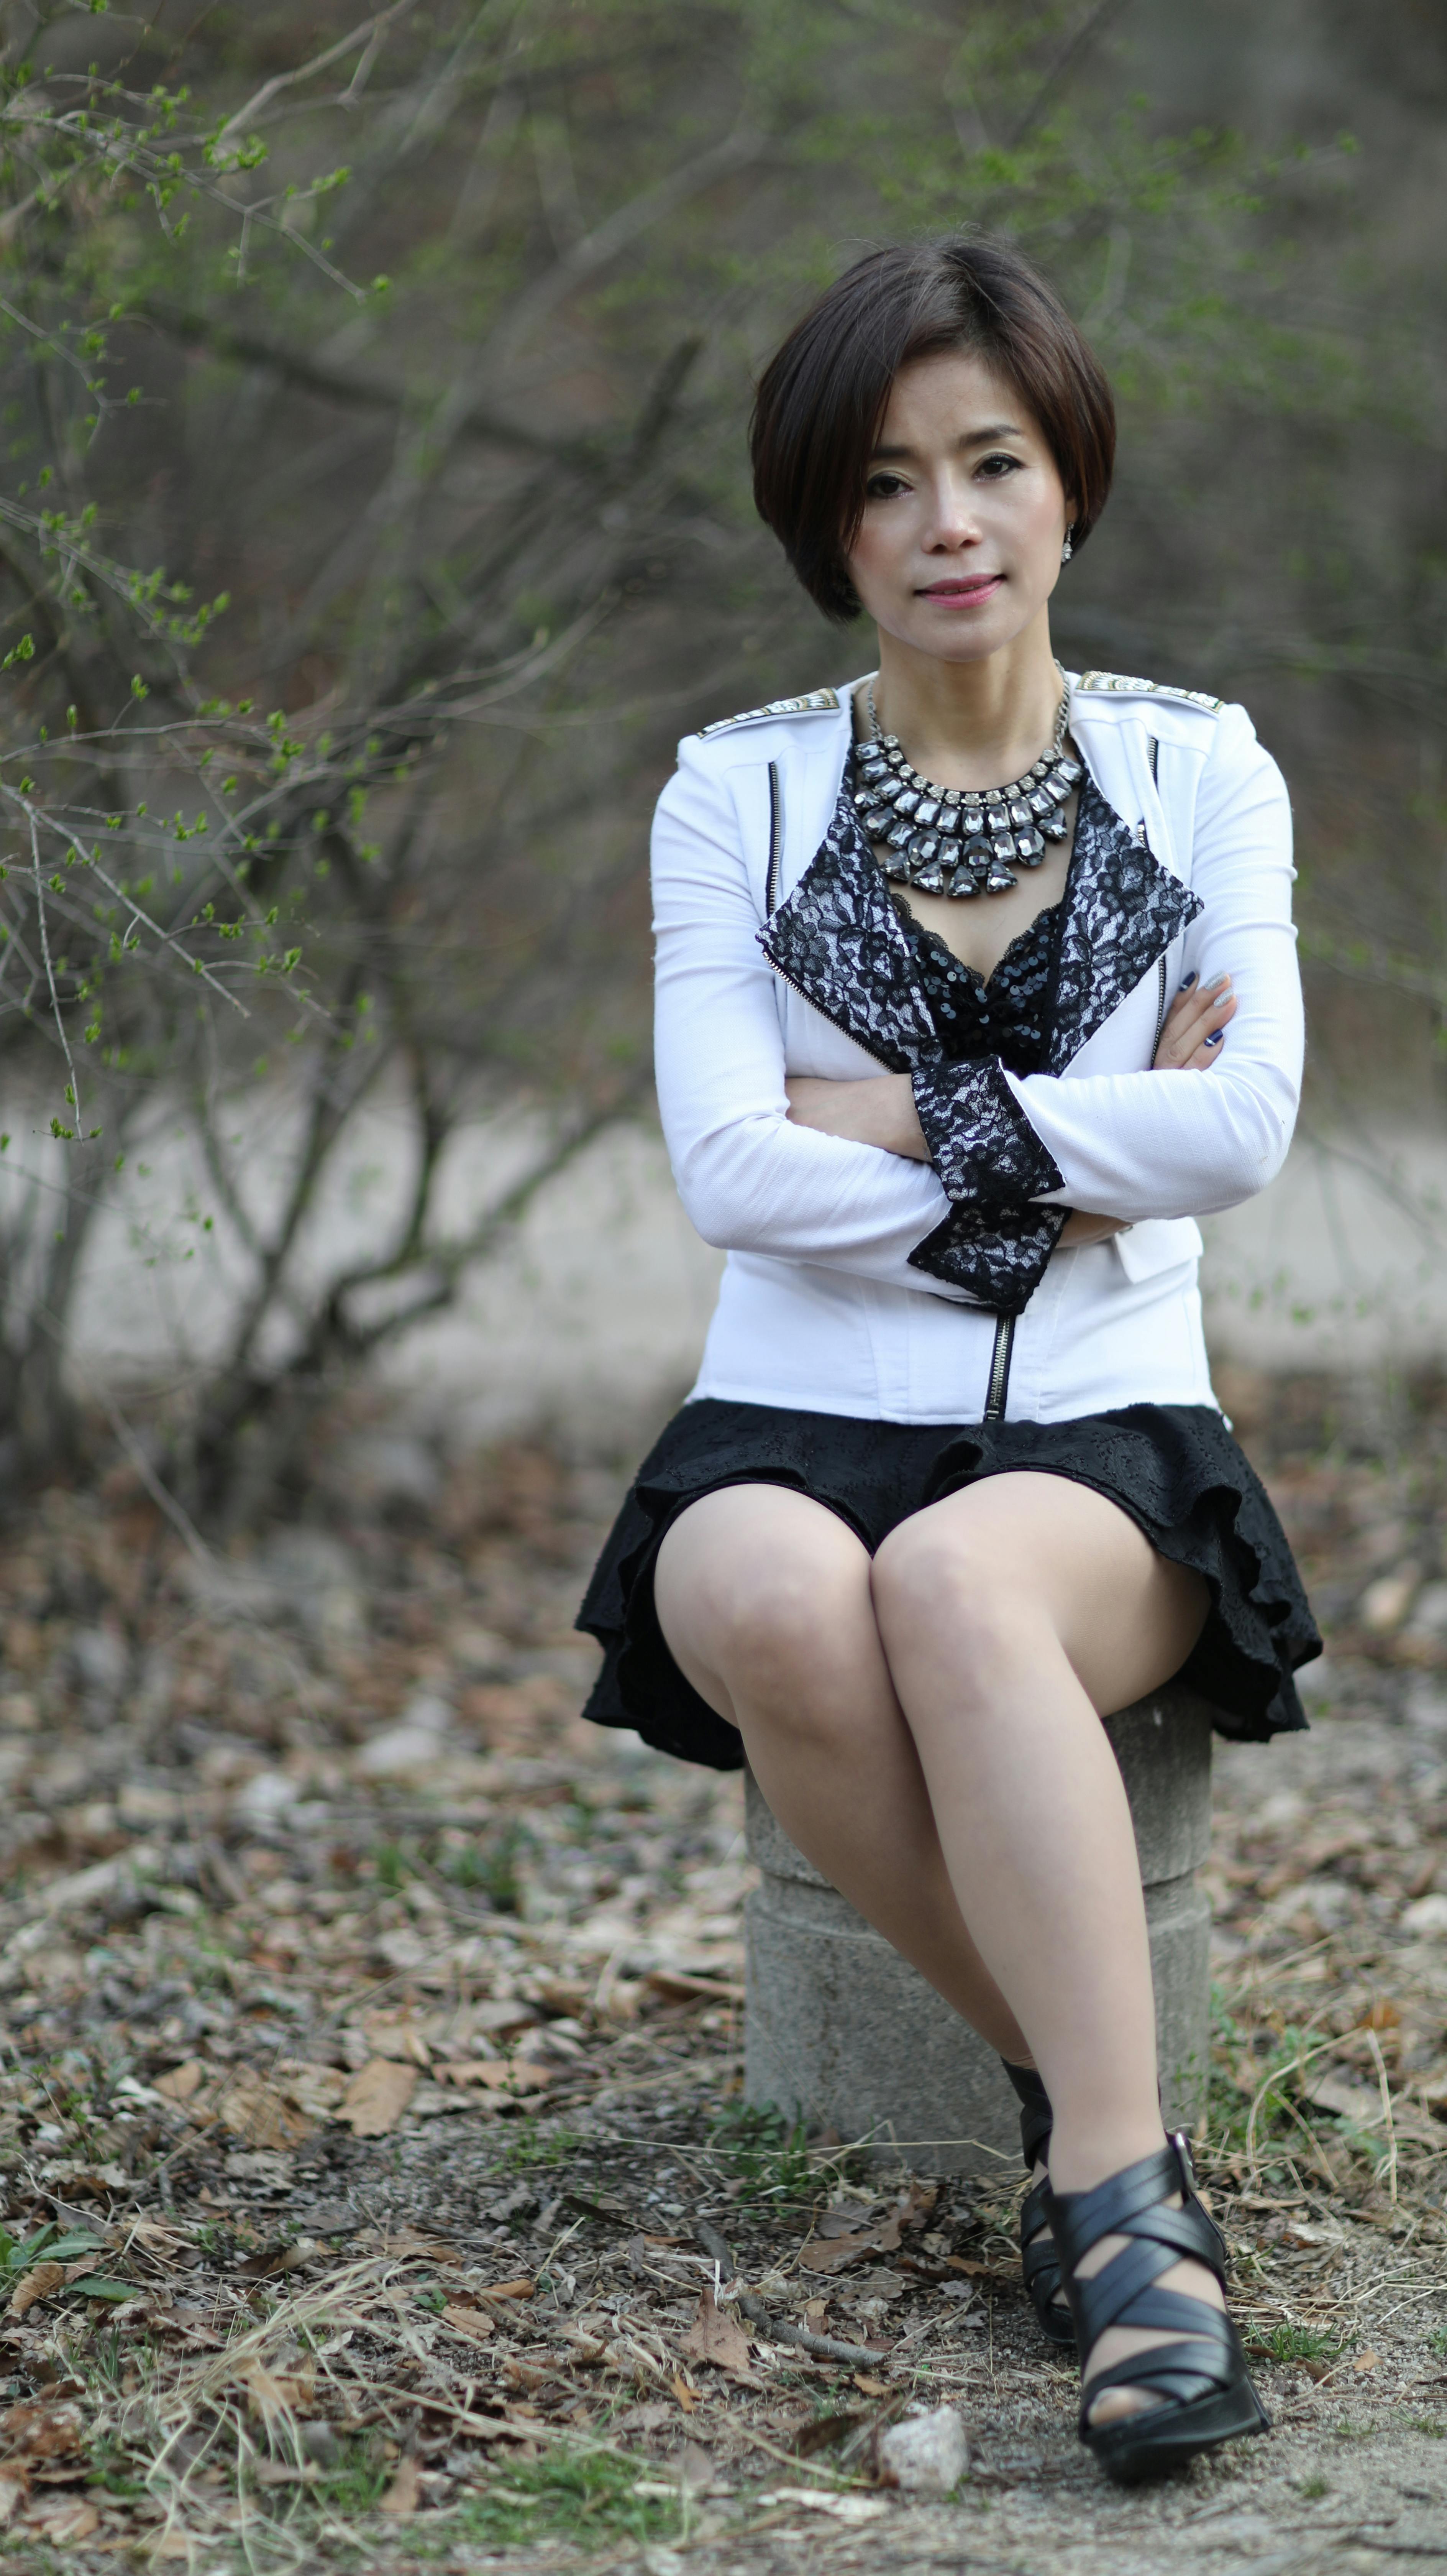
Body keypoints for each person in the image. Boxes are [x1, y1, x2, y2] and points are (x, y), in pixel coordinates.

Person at [577, 235, 1320, 2483]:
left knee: (960, 1586)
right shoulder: (742, 794)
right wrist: (1083, 1154)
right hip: (799, 1418)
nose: (947, 524)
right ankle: (1111, 2136)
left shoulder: (1205, 776)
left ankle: (1120, 2221)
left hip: (1097, 1440)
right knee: (765, 1587)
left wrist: (880, 1116)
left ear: (1067, 484)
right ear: (832, 530)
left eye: (990, 464)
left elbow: (1246, 1129)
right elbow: (727, 1171)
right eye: (887, 484)